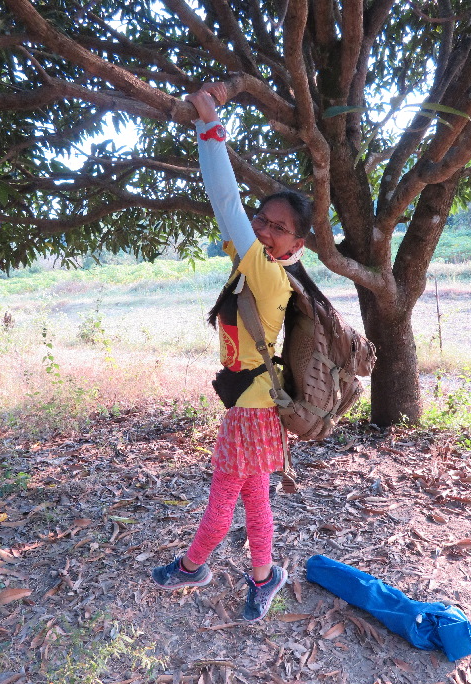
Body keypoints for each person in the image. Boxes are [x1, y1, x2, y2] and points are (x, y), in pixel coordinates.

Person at [151, 82, 327, 622]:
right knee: (255, 498)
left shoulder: (269, 274)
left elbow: (225, 201)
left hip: (252, 411)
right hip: (252, 404)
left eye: (279, 228)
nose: (265, 230)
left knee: (223, 501)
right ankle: (265, 575)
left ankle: (193, 566)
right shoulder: (256, 267)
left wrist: (210, 128)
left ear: (297, 245)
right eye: (262, 221)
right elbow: (231, 212)